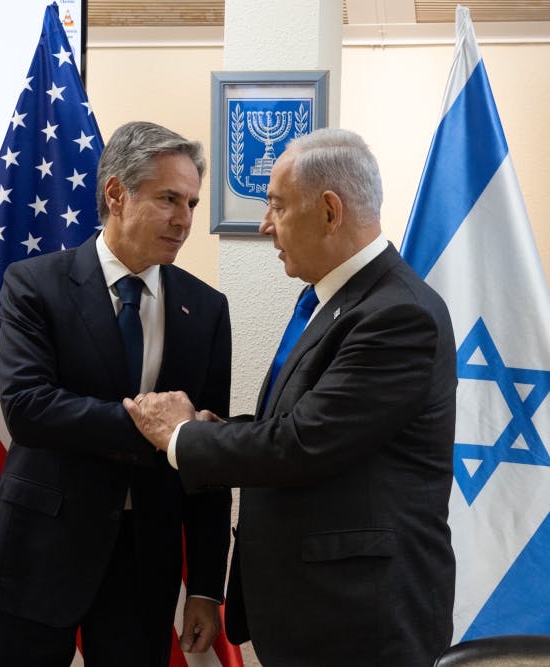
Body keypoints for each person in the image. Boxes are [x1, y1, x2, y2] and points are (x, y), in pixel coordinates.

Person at [125, 127, 457, 665]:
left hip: (360, 620)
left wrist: (182, 436)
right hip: (314, 607)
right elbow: (298, 420)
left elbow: (303, 443)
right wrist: (215, 427)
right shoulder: (335, 300)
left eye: (276, 207)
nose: (265, 225)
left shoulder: (398, 315)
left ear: (329, 212)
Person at [0, 121, 233, 666]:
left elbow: (207, 452)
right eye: (169, 199)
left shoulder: (205, 309)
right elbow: (29, 408)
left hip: (144, 565)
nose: (184, 220)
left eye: (193, 204)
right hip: (38, 550)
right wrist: (157, 429)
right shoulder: (34, 283)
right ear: (116, 194)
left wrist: (206, 585)